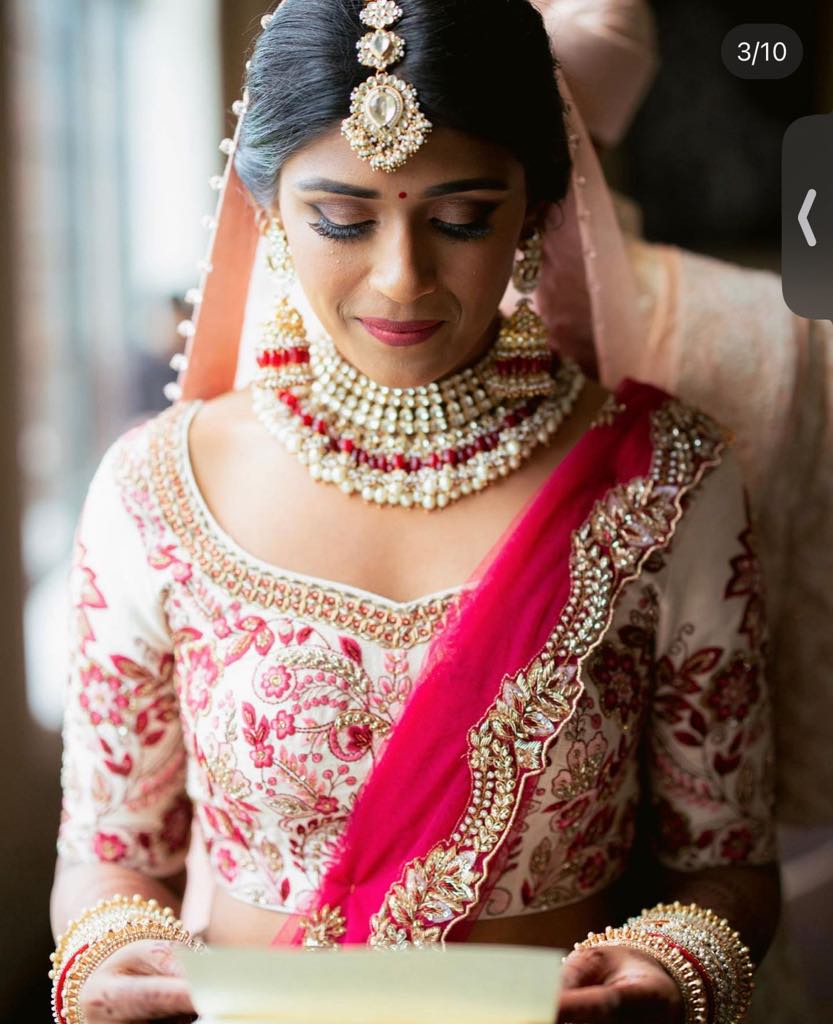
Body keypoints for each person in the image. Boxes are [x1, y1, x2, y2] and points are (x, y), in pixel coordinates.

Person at [50, 2, 778, 1023]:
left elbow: (730, 865)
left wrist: (671, 966)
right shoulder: (155, 492)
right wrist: (110, 954)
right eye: (342, 219)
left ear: (534, 208)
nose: (401, 276)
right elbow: (109, 856)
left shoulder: (662, 480)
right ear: (264, 209)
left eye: (461, 217)